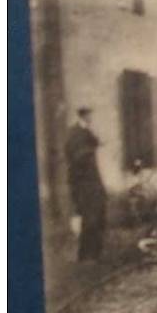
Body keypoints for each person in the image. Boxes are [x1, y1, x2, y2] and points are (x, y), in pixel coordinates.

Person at [65, 107, 107, 262]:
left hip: (93, 182)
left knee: (97, 216)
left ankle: (95, 253)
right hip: (82, 184)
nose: (92, 118)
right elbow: (76, 156)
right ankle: (85, 255)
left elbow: (97, 142)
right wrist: (90, 149)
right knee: (88, 218)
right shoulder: (75, 133)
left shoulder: (87, 131)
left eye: (92, 115)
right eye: (89, 115)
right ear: (83, 115)